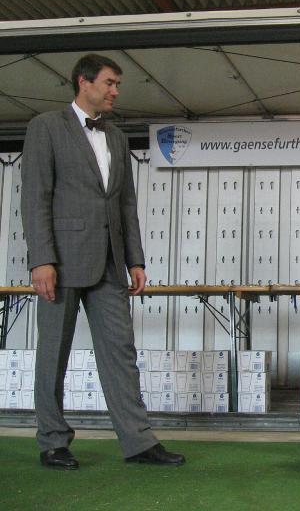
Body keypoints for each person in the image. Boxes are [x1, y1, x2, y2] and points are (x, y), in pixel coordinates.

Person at [21, 54, 185, 469]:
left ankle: (139, 442)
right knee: (53, 354)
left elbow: (126, 203)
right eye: (110, 83)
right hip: (60, 262)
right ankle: (53, 441)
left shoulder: (116, 137)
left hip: (111, 262)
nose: (115, 91)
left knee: (121, 352)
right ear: (84, 82)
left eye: (117, 85)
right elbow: (35, 197)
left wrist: (135, 260)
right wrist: (41, 259)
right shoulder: (45, 127)